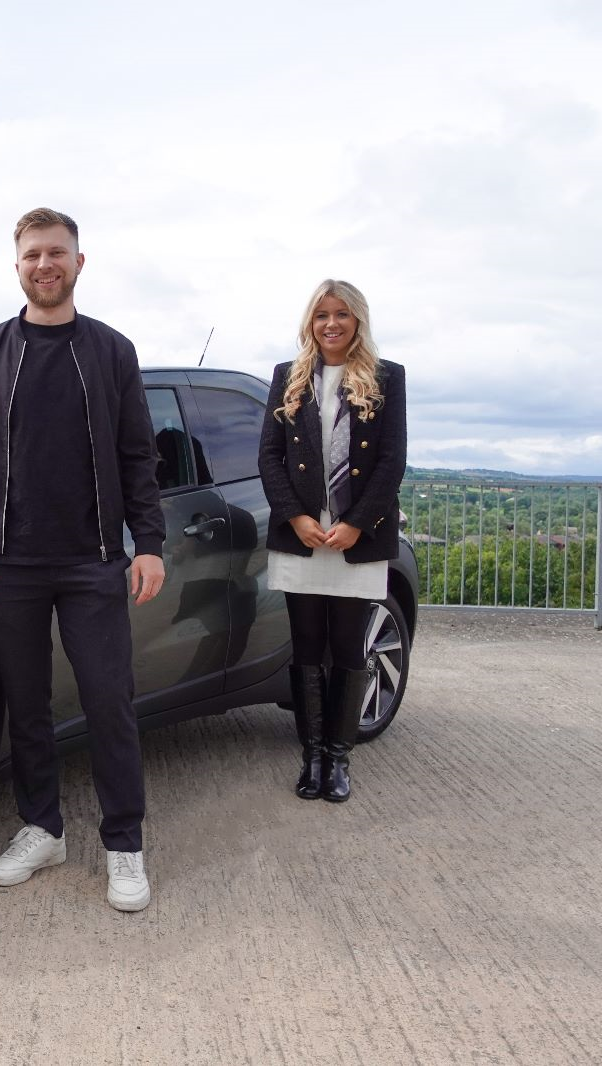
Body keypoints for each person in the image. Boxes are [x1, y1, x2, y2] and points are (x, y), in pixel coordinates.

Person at [0, 208, 166, 912]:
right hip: (7, 564)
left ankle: (123, 845)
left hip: (93, 560)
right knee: (27, 707)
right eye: (33, 254)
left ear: (78, 262)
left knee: (109, 704)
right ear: (18, 266)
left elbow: (138, 455)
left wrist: (149, 543)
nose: (46, 264)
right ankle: (42, 828)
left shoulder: (110, 352)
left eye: (57, 253)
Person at [257, 280, 406, 803]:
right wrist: (296, 517)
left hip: (355, 537)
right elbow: (270, 458)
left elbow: (391, 461)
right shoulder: (288, 377)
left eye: (342, 313)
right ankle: (311, 756)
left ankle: (338, 759)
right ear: (310, 321)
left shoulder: (388, 378)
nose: (332, 323)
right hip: (304, 535)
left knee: (347, 647)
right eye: (322, 314)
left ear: (357, 320)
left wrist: (358, 523)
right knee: (306, 648)